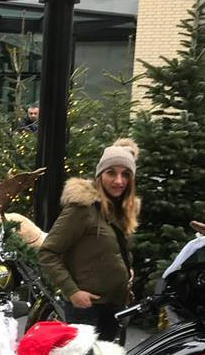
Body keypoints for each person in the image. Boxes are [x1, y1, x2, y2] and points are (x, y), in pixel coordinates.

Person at [38, 138, 140, 341]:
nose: (119, 181)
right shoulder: (82, 208)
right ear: (100, 175)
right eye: (111, 173)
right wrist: (72, 292)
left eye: (125, 174)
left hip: (115, 305)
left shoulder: (121, 209)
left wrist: (125, 267)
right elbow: (47, 252)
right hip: (87, 308)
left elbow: (112, 248)